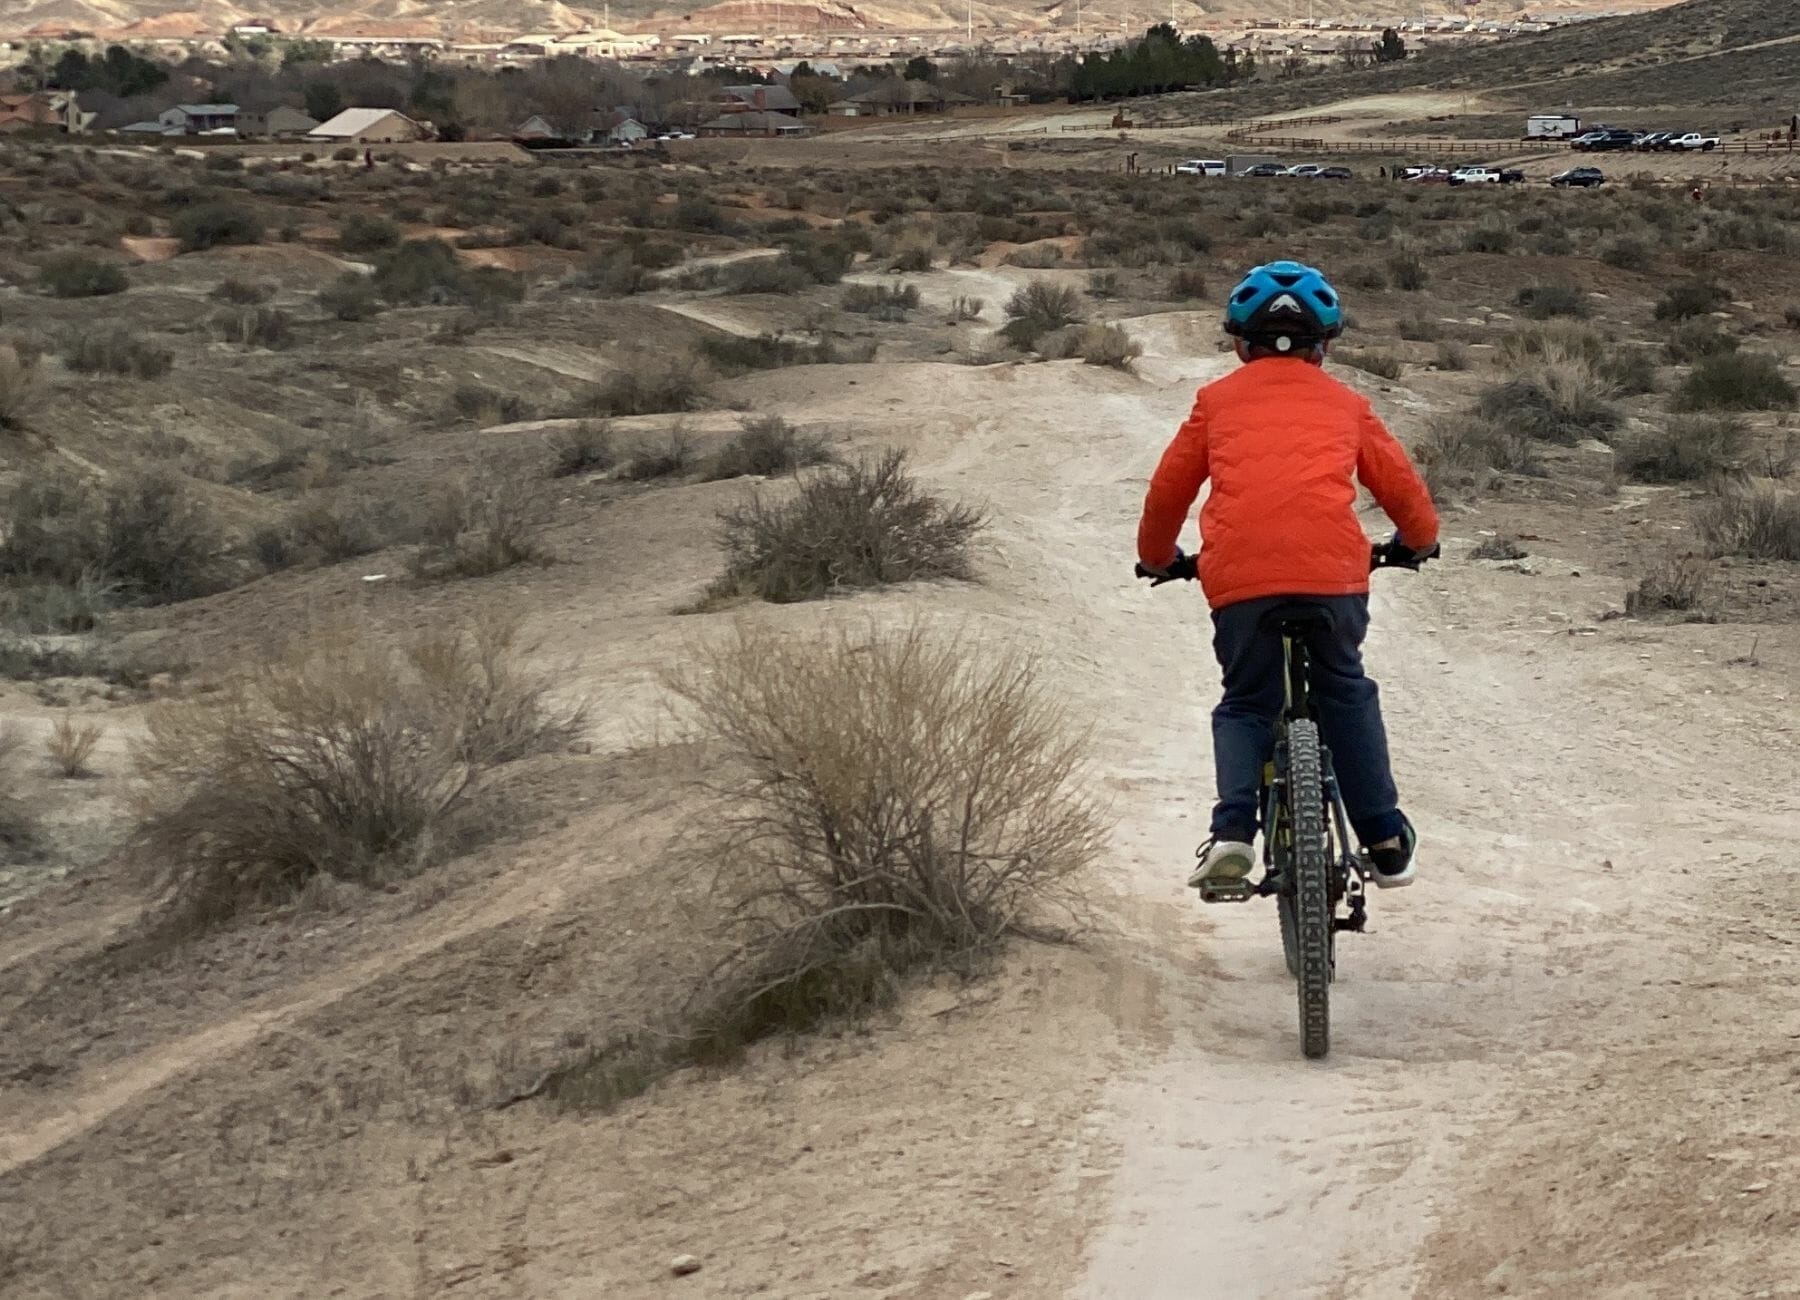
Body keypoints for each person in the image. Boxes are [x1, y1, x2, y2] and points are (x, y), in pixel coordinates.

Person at [1135, 261, 1439, 893]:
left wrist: (1159, 557)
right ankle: (1382, 836)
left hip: (1240, 579)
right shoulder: (1348, 404)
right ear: (1324, 345)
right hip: (1333, 577)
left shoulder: (1215, 403)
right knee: (1345, 690)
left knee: (1248, 700)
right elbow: (1404, 490)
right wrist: (1417, 544)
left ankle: (1232, 835)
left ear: (1240, 342)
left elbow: (1168, 492)